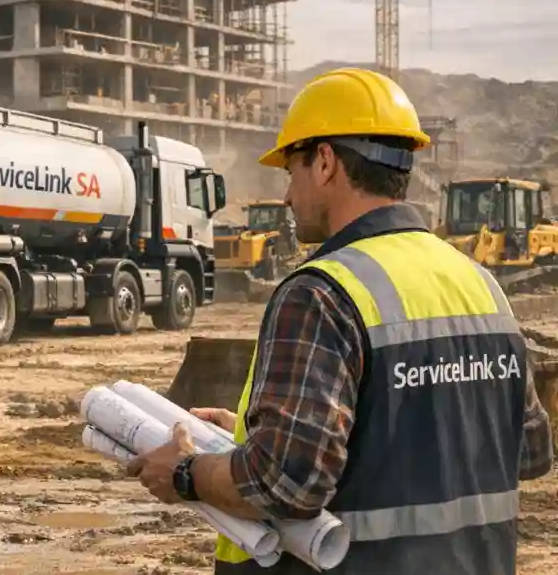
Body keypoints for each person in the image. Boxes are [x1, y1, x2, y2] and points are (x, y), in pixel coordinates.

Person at [125, 68, 553, 574]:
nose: (287, 195)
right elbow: (530, 451)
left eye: (291, 170)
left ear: (325, 161)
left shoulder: (322, 292)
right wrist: (250, 432)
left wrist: (185, 473)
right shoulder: (481, 285)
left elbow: (286, 484)